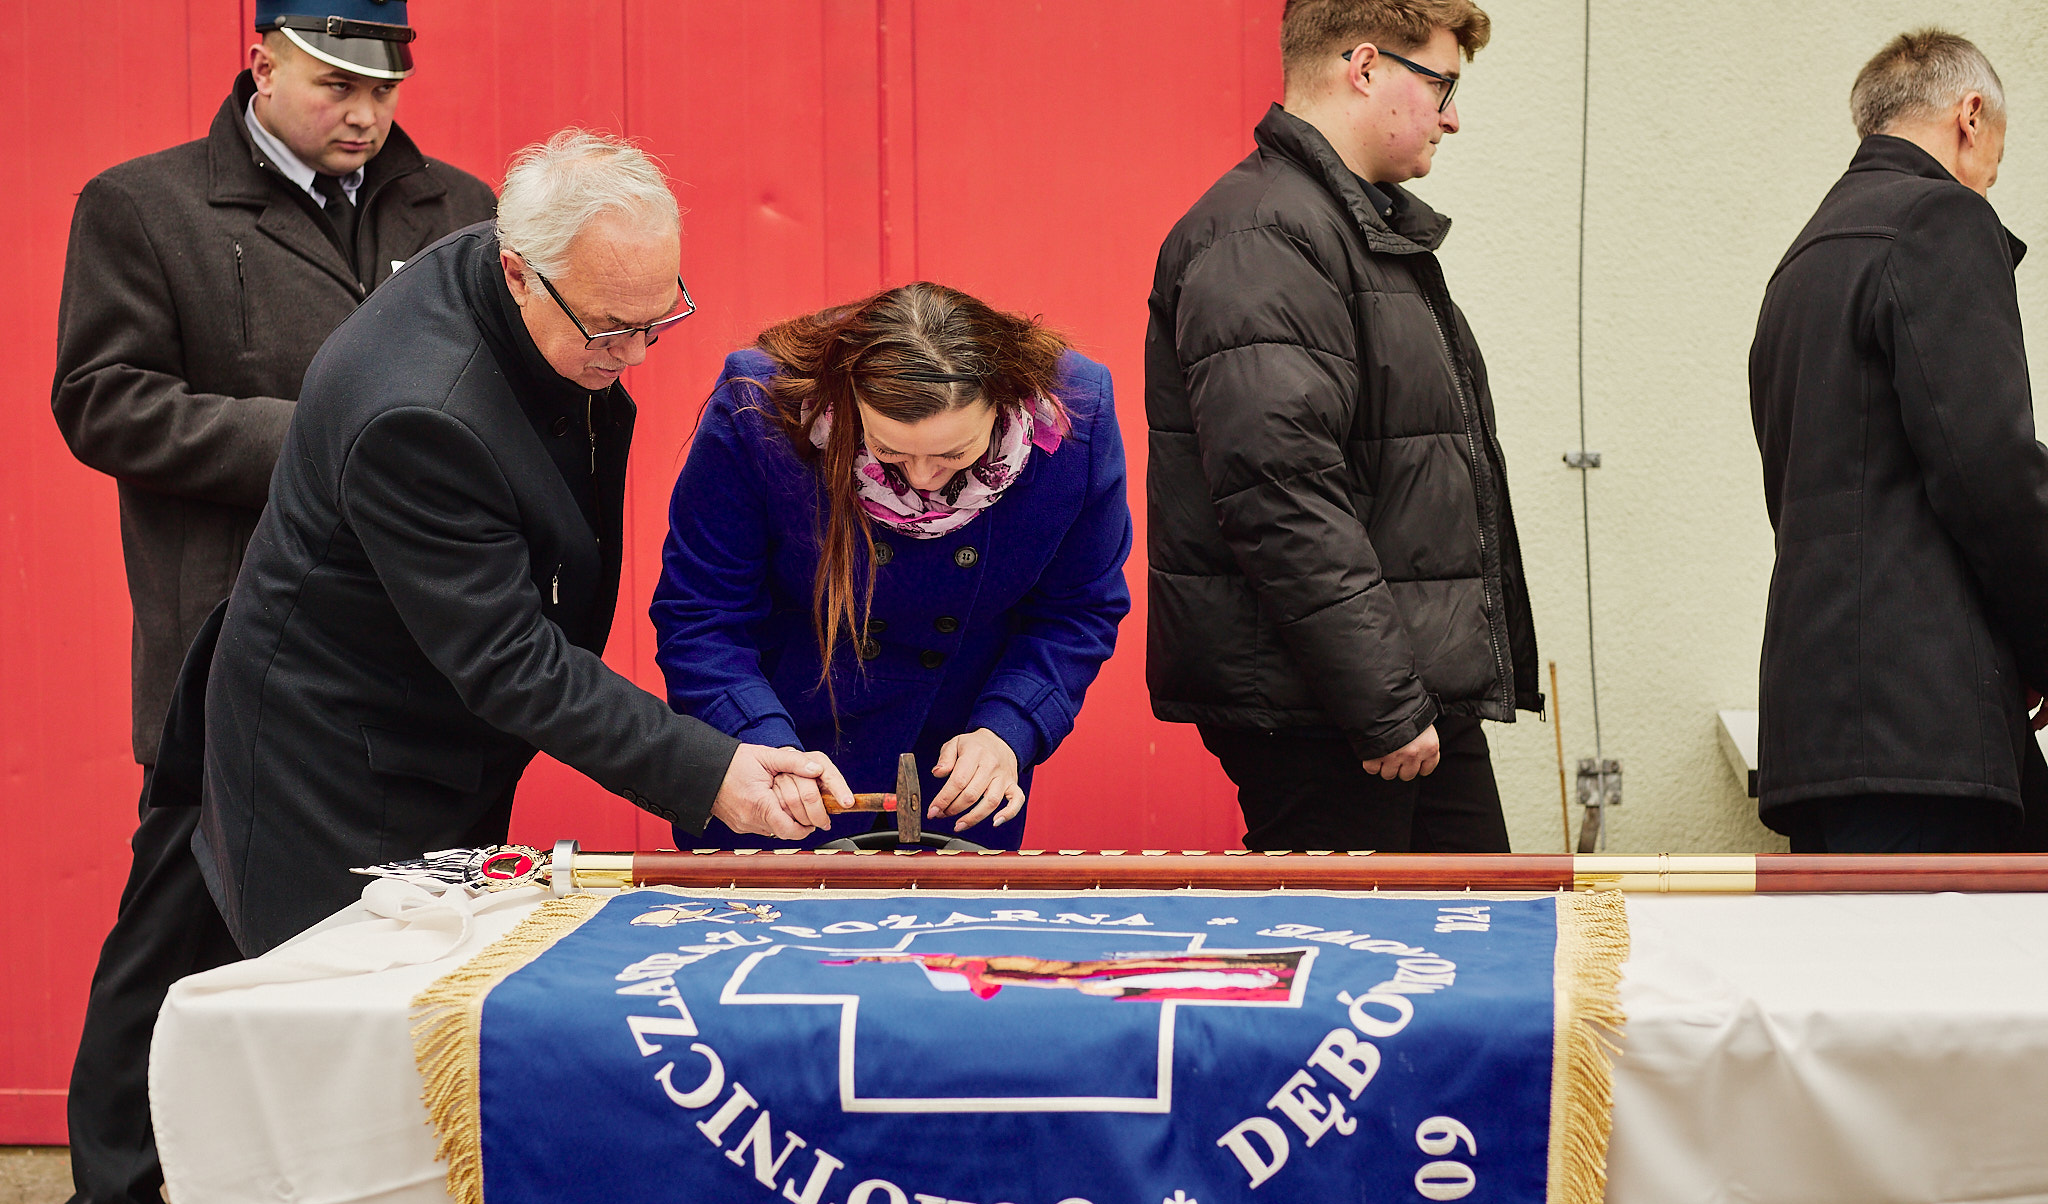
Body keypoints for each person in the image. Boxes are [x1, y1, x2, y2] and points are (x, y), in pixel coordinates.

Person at [47, 4, 496, 1204]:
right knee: (176, 939)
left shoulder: (463, 211)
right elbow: (103, 401)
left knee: (406, 948)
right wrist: (320, 439)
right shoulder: (144, 206)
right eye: (334, 84)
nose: (364, 112)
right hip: (232, 654)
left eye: (385, 87)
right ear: (261, 64)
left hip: (417, 656)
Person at [195, 129, 852, 954]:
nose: (636, 354)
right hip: (343, 769)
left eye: (658, 319)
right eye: (611, 329)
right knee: (362, 1000)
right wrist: (709, 771)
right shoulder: (421, 418)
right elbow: (508, 657)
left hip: (440, 728)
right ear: (518, 273)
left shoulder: (533, 272)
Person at [1144, 0, 1539, 853]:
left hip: (1389, 692)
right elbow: (1280, 495)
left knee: (1479, 920)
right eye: (1441, 86)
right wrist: (1382, 702)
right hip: (1332, 713)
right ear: (1364, 68)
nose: (1452, 118)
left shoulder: (1348, 227)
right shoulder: (1263, 237)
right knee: (1360, 938)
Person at [651, 283, 1132, 848]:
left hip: (956, 773)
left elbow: (1078, 610)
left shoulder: (1075, 416)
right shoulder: (761, 407)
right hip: (780, 762)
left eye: (954, 454)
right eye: (890, 452)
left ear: (1004, 403)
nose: (923, 478)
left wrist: (1009, 728)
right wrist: (757, 735)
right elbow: (701, 613)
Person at [1751, 30, 2048, 854]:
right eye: (1996, 162)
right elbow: (1992, 473)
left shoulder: (1801, 261)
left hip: (1818, 731)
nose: (1988, 181)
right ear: (1970, 115)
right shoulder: (1941, 217)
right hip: (1926, 728)